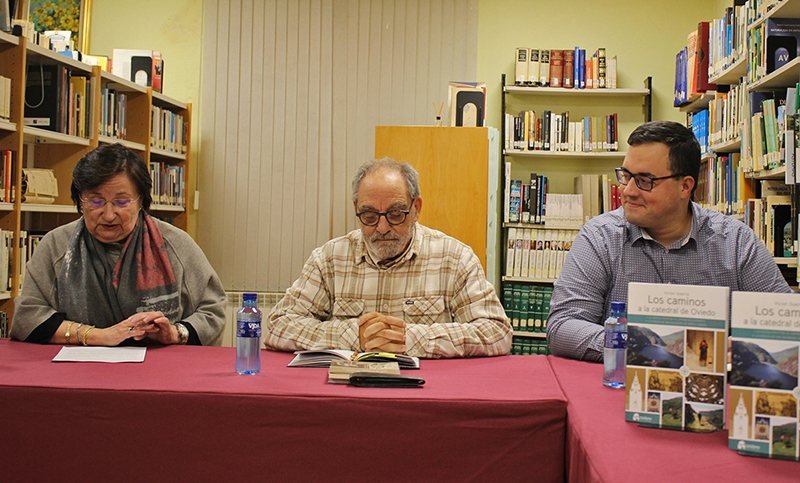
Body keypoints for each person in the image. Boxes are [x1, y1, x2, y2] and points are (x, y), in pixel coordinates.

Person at [547, 121, 792, 362]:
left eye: (645, 180)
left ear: (685, 186)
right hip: (620, 390)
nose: (628, 191)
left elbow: (786, 322)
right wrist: (643, 347)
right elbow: (562, 327)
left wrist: (742, 350)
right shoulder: (600, 237)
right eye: (626, 176)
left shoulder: (736, 242)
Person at [265, 158, 512, 358]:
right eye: (370, 216)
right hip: (347, 395)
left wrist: (411, 338)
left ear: (416, 209)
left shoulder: (455, 258)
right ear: (356, 209)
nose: (382, 228)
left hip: (426, 398)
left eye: (395, 214)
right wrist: (354, 335)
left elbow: (497, 332)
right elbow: (278, 325)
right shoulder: (330, 259)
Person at [10, 143, 226, 346]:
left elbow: (212, 310)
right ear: (80, 201)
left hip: (159, 369)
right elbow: (27, 317)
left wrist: (175, 333)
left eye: (121, 202)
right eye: (96, 201)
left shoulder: (175, 245)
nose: (109, 214)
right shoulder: (56, 246)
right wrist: (98, 336)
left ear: (141, 201)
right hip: (78, 370)